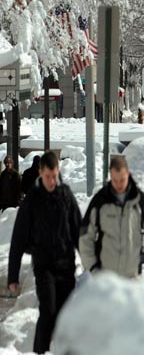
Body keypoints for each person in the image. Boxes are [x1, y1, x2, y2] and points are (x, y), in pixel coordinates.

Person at [7, 151, 81, 354]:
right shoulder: (33, 199)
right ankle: (40, 351)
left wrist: (93, 263)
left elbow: (79, 232)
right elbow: (18, 239)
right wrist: (13, 276)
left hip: (66, 265)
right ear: (41, 173)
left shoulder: (66, 195)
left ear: (58, 172)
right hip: (44, 266)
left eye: (54, 176)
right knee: (48, 310)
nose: (51, 181)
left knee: (65, 313)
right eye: (47, 176)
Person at [79, 156, 144, 279]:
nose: (118, 185)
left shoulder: (140, 201)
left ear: (128, 173)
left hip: (132, 278)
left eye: (122, 180)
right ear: (110, 176)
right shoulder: (100, 201)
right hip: (106, 279)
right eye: (115, 180)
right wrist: (92, 267)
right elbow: (85, 235)